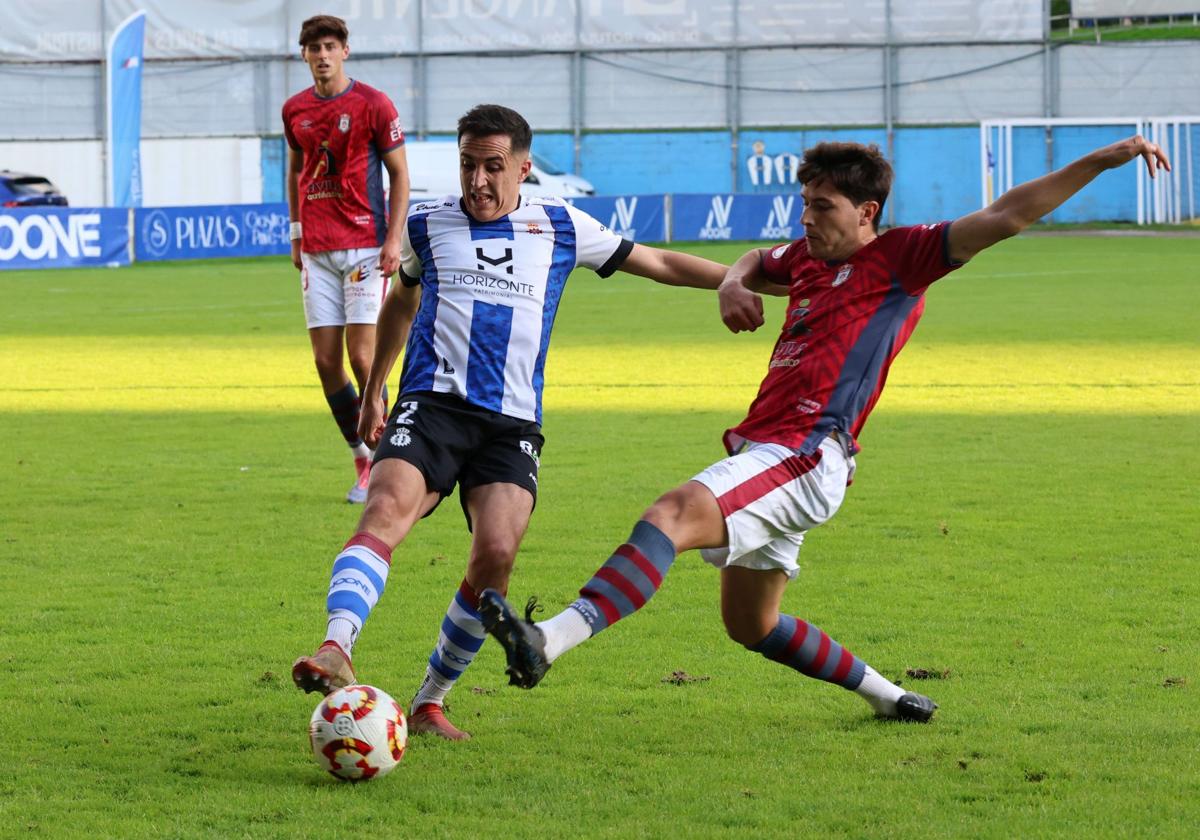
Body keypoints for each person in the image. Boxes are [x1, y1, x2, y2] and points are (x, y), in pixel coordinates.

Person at [478, 135, 1172, 723]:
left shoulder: (904, 257)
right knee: (750, 625)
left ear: (866, 212)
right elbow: (757, 259)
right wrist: (734, 279)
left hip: (808, 451)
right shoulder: (807, 260)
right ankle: (887, 695)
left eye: (822, 207)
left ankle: (548, 640)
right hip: (773, 452)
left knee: (671, 513)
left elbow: (1010, 213)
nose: (806, 218)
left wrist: (1105, 159)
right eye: (804, 204)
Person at [291, 104, 730, 740]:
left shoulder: (560, 225)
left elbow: (657, 262)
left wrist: (742, 277)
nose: (478, 182)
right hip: (432, 405)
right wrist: (375, 386)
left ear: (524, 168)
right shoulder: (428, 224)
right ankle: (336, 646)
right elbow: (402, 303)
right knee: (386, 508)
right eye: (468, 165)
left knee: (496, 554)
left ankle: (430, 700)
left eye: (493, 167)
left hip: (511, 424)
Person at [283, 14, 410, 504]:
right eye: (313, 48)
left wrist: (393, 239)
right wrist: (296, 234)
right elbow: (296, 170)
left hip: (363, 243)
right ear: (304, 56)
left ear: (345, 51)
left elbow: (399, 174)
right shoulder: (294, 110)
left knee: (363, 357)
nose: (321, 55)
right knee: (324, 361)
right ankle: (362, 457)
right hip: (316, 248)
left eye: (329, 46)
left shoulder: (373, 104)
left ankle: (392, 455)